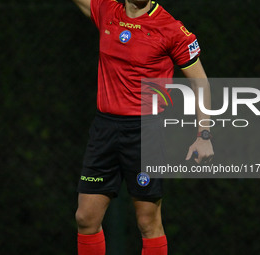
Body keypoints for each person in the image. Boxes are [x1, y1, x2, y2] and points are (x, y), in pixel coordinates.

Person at [72, 0, 214, 254]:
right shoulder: (106, 11)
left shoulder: (170, 29)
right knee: (85, 218)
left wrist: (203, 135)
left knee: (147, 221)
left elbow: (201, 83)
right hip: (104, 128)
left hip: (145, 132)